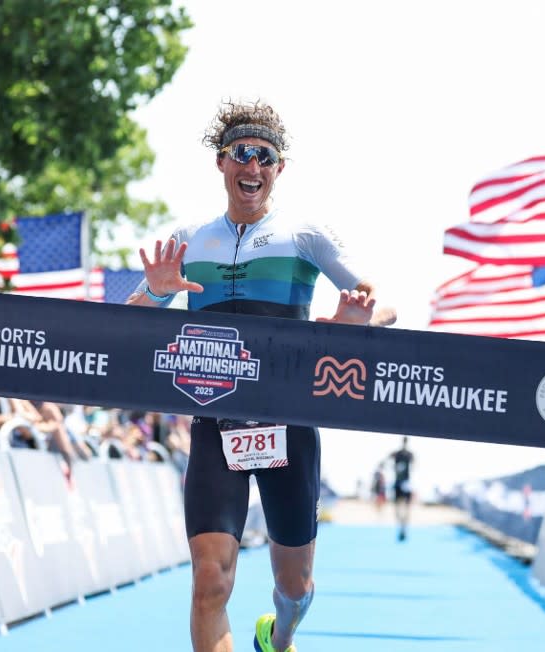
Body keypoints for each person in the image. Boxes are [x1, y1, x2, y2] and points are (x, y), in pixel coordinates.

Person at [126, 99, 396, 652]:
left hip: (288, 425)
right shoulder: (188, 239)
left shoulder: (305, 236)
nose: (253, 167)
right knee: (210, 580)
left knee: (293, 587)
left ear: (279, 169)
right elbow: (129, 324)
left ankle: (279, 635)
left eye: (265, 157)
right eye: (241, 155)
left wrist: (359, 318)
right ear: (221, 163)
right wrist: (155, 290)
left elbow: (384, 303)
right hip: (214, 423)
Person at [389, 436, 415, 542]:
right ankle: (402, 526)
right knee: (399, 508)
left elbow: (414, 465)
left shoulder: (408, 454)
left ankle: (403, 526)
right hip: (400, 482)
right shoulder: (399, 454)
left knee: (404, 508)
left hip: (404, 483)